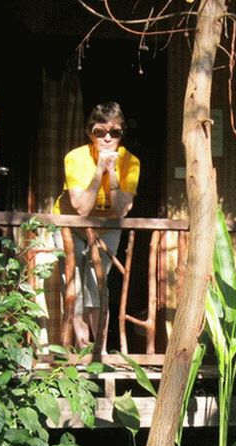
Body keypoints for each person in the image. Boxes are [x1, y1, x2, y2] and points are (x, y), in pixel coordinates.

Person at [53, 101, 140, 348]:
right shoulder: (76, 158)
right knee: (75, 289)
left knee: (97, 289)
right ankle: (82, 350)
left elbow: (123, 209)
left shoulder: (131, 162)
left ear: (122, 133)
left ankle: (99, 352)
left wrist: (111, 174)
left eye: (115, 132)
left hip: (107, 228)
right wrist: (98, 170)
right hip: (71, 227)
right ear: (89, 133)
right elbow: (81, 207)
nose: (107, 138)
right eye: (100, 132)